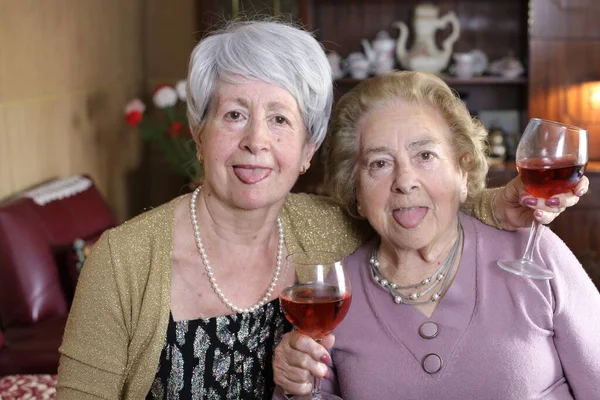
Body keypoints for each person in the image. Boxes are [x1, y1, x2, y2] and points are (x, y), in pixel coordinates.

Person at [56, 20, 589, 399]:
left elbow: (412, 205)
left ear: (309, 150)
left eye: (281, 120)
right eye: (235, 114)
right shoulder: (123, 262)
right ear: (199, 134)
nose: (256, 142)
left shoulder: (331, 226)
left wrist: (498, 200)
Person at [272, 71, 600, 399]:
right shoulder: (333, 295)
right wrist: (294, 388)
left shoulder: (536, 253)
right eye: (380, 163)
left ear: (463, 170)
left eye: (425, 156)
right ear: (356, 189)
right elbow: (309, 389)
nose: (405, 180)